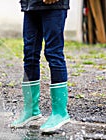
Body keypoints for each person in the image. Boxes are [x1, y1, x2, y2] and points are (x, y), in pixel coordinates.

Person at [11, 0, 70, 132]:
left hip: (53, 5)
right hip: (30, 5)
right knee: (29, 54)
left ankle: (60, 112)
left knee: (53, 53)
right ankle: (31, 110)